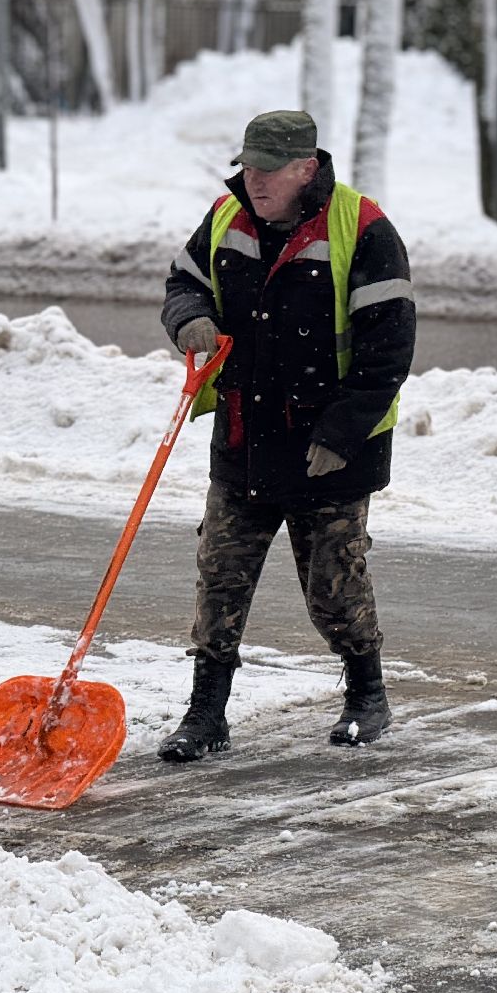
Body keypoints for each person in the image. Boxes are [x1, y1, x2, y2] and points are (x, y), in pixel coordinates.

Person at [158, 109, 416, 762]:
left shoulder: (363, 229)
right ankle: (206, 714)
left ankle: (367, 695)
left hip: (329, 449)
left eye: (269, 170)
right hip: (245, 439)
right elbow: (184, 282)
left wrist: (342, 434)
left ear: (307, 168)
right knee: (219, 577)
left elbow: (388, 351)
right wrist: (190, 318)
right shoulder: (225, 217)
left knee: (333, 586)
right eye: (248, 166)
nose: (256, 180)